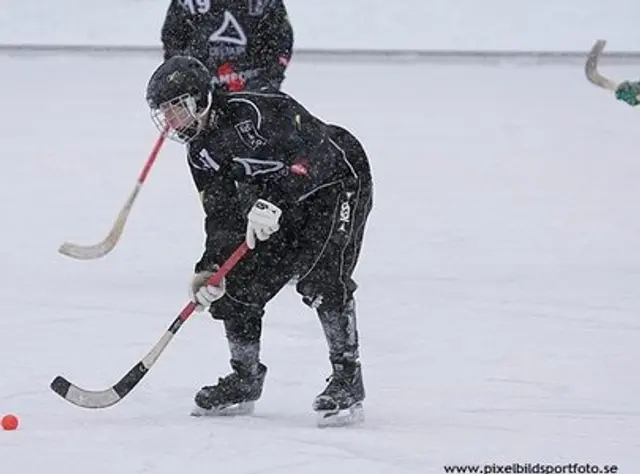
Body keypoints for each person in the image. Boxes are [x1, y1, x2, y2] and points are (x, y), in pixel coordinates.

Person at [144, 55, 374, 427]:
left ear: (200, 99)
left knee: (322, 279)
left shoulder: (257, 111)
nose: (170, 121)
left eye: (177, 107)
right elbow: (220, 215)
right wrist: (210, 267)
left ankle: (348, 378)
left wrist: (275, 200)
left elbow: (315, 153)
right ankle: (245, 378)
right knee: (235, 285)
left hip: (338, 182)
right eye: (164, 112)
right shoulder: (200, 153)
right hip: (278, 202)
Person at [160, 0, 294, 92]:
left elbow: (281, 42)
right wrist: (181, 80)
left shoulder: (265, 3)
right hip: (202, 94)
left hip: (254, 92)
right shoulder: (187, 3)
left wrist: (268, 82)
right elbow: (172, 39)